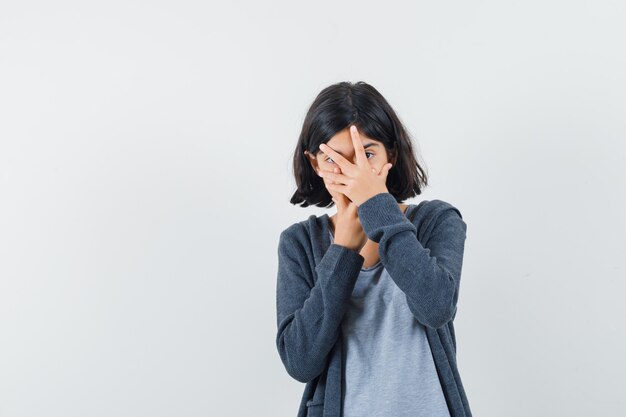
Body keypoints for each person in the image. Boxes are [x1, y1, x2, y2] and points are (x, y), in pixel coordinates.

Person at [275, 81, 472, 417]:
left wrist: (378, 208)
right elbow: (299, 361)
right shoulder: (299, 243)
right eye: (335, 159)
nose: (354, 173)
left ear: (390, 154)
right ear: (315, 163)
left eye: (367, 155)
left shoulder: (437, 221)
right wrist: (341, 252)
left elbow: (437, 306)